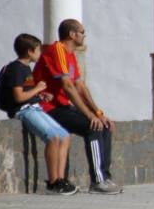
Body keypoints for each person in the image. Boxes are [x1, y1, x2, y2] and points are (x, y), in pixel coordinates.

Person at [33, 19, 121, 194]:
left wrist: (98, 113)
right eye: (82, 32)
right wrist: (89, 116)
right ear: (72, 34)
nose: (84, 36)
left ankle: (105, 176)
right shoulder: (57, 50)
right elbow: (67, 86)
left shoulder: (71, 55)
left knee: (104, 125)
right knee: (92, 127)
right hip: (48, 107)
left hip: (62, 105)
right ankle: (97, 181)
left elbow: (80, 86)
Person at [0, 34, 76, 195]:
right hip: (23, 110)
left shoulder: (26, 68)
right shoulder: (16, 69)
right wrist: (38, 89)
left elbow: (27, 92)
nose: (40, 52)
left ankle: (61, 179)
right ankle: (53, 182)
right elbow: (18, 97)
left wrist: (39, 95)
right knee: (52, 137)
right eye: (38, 49)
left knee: (65, 135)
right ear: (29, 51)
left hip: (33, 106)